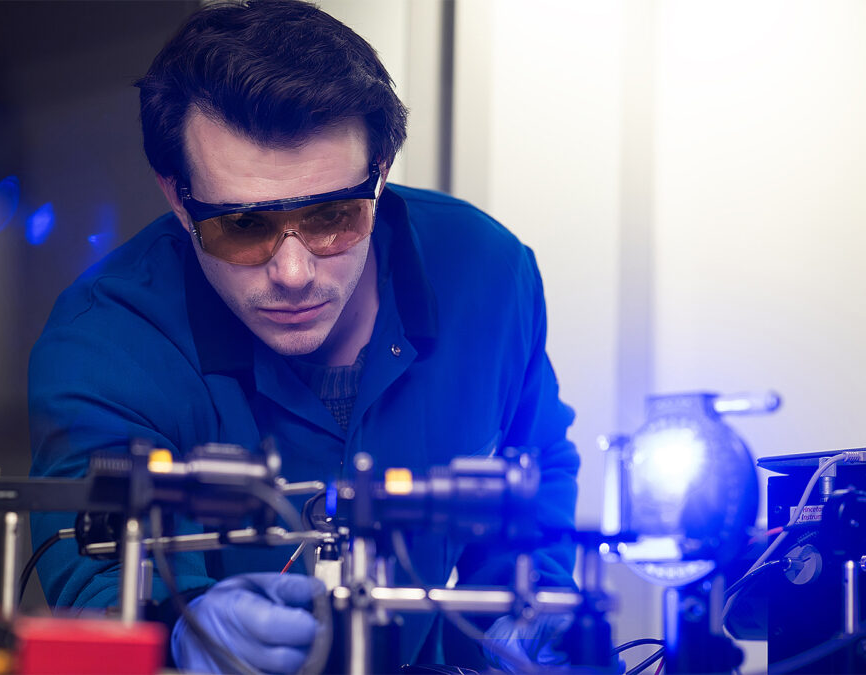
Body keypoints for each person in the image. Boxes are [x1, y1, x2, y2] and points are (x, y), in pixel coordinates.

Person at [28, 0, 579, 671]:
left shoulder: (486, 275)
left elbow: (536, 463)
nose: (293, 273)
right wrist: (183, 633)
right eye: (243, 225)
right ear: (177, 196)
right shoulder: (105, 343)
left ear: (380, 171)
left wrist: (530, 603)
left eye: (332, 216)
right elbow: (98, 572)